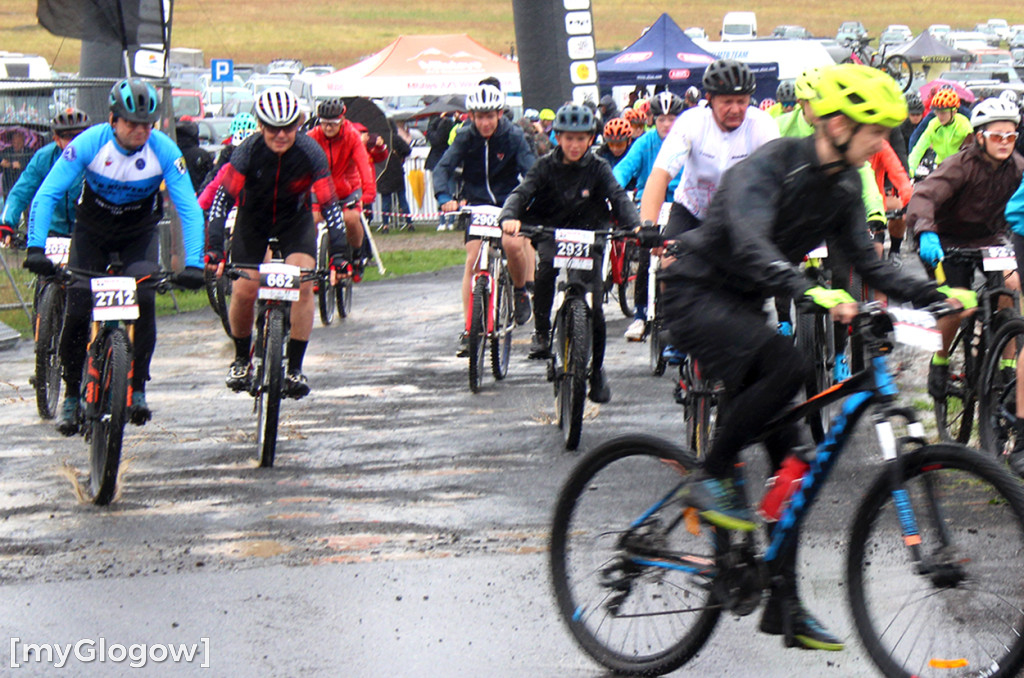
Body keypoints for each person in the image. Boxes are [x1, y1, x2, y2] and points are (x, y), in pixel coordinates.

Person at [662, 64, 972, 650]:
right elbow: (750, 241)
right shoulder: (772, 164)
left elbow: (868, 263)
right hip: (695, 290)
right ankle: (708, 478)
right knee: (789, 365)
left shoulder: (844, 187)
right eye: (874, 131)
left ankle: (783, 606)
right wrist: (808, 290)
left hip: (743, 303)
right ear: (836, 124)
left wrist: (933, 295)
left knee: (795, 467)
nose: (881, 143)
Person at [22, 79, 206, 434]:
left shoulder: (164, 150)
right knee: (78, 306)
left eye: (147, 124)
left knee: (145, 299)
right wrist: (35, 247)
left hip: (138, 234)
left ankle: (137, 388)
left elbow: (189, 208)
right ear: (113, 120)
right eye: (132, 123)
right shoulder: (90, 143)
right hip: (92, 233)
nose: (141, 131)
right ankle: (72, 395)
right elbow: (47, 193)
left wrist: (195, 263)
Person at [206, 87, 347, 399]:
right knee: (244, 289)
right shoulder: (247, 151)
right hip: (252, 222)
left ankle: (295, 367)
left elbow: (330, 205)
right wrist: (214, 248)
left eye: (288, 127)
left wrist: (339, 255)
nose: (281, 135)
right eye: (273, 128)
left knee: (303, 285)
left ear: (298, 125)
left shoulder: (310, 152)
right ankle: (241, 360)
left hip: (294, 221)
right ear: (261, 125)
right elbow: (222, 201)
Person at [499, 103, 641, 403]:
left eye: (580, 139)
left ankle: (597, 369)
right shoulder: (544, 166)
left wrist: (636, 225)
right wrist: (510, 216)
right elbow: (522, 193)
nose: (574, 145)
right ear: (559, 138)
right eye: (568, 138)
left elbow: (617, 196)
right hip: (550, 228)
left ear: (590, 139)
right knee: (546, 271)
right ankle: (541, 332)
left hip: (590, 231)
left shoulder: (598, 167)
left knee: (596, 305)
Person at [908, 97, 1024, 423]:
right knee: (957, 302)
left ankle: (1006, 365)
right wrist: (925, 230)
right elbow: (924, 195)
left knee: (1011, 286)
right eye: (997, 135)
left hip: (990, 240)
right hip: (946, 240)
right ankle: (940, 361)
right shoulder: (960, 165)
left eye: (1011, 136)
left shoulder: (1017, 167)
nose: (1005, 142)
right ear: (980, 137)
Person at [432, 83, 537, 354]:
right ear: (471, 117)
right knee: (473, 259)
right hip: (477, 204)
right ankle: (470, 329)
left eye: (490, 116)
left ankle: (519, 290)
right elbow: (443, 167)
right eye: (480, 117)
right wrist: (444, 197)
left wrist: (530, 199)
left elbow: (532, 171)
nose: (485, 123)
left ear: (499, 114)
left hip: (508, 202)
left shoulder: (513, 136)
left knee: (513, 245)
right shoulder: (465, 137)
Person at [612, 91, 685, 340]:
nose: (667, 125)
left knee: (681, 254)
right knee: (646, 254)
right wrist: (612, 188)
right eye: (662, 119)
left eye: (672, 119)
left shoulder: (687, 140)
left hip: (679, 204)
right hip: (650, 202)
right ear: (653, 120)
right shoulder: (645, 142)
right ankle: (640, 315)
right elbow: (624, 169)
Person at [306, 99, 375, 277]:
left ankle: (357, 254)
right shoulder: (312, 137)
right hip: (320, 189)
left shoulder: (352, 136)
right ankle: (312, 263)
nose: (328, 128)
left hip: (347, 188)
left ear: (342, 120)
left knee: (351, 219)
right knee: (311, 220)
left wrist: (368, 192)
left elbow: (364, 165)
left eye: (333, 123)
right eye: (324, 123)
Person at [0, 108, 89, 245]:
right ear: (56, 139)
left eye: (80, 135)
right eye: (67, 136)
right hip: (52, 233)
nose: (75, 141)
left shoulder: (100, 155)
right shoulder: (44, 157)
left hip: (88, 233)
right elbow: (21, 191)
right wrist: (6, 223)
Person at [908, 88, 973, 177]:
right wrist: (910, 168)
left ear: (954, 112)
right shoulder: (933, 124)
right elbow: (919, 147)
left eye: (943, 113)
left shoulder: (964, 125)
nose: (939, 116)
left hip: (960, 168)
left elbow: (973, 150)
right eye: (937, 112)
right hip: (941, 166)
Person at [377, 118, 413, 232]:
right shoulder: (396, 138)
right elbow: (407, 150)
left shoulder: (380, 140)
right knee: (402, 199)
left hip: (383, 171)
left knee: (385, 200)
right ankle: (409, 223)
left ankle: (385, 225)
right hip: (396, 170)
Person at [174, 119, 213, 193]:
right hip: (199, 194)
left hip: (178, 195)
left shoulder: (172, 154)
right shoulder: (202, 154)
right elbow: (211, 176)